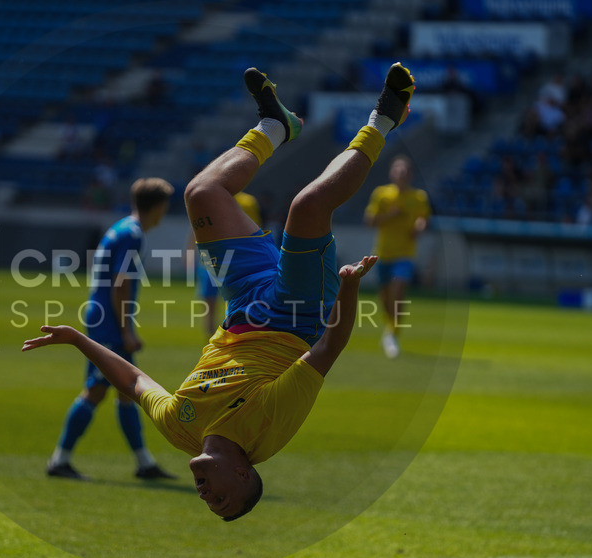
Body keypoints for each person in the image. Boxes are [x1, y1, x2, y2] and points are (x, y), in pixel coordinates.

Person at [24, 63, 415, 519]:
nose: (206, 497)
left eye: (209, 505)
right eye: (222, 499)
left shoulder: (179, 429)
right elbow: (330, 346)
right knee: (307, 207)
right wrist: (347, 290)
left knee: (201, 193)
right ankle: (384, 119)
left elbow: (132, 380)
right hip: (296, 314)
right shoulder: (265, 432)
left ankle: (275, 125)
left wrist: (78, 340)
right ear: (244, 475)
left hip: (242, 302)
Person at [45, 178, 177, 481]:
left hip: (101, 316)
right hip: (108, 323)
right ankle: (59, 460)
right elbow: (120, 282)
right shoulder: (132, 236)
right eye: (164, 208)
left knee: (127, 391)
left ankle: (144, 463)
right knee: (97, 390)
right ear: (157, 207)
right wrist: (126, 331)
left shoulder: (121, 228)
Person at [363, 155, 431, 359]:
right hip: (383, 253)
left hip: (405, 253)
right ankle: (389, 327)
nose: (401, 174)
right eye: (398, 170)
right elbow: (369, 221)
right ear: (392, 173)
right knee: (385, 297)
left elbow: (423, 218)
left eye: (405, 171)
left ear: (410, 174)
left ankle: (393, 335)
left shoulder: (419, 197)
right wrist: (390, 215)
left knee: (399, 289)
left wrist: (420, 226)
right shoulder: (382, 194)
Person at [187, 190, 263, 336]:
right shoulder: (208, 199)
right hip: (210, 261)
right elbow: (196, 227)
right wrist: (189, 251)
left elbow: (255, 231)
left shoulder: (248, 202)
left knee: (235, 302)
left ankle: (231, 337)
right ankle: (210, 340)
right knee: (209, 303)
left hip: (237, 262)